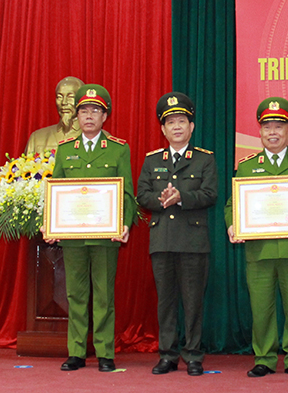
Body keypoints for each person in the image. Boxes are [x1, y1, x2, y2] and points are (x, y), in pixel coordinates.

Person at [224, 97, 288, 378]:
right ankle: (264, 358)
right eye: (267, 126)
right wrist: (233, 225)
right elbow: (232, 205)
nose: (273, 132)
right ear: (259, 132)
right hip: (259, 251)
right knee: (261, 309)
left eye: (279, 126)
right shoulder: (247, 166)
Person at [45, 84, 136, 372]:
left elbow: (127, 193)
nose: (88, 116)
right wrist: (50, 224)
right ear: (76, 116)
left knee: (103, 295)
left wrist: (124, 223)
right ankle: (76, 352)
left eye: (95, 111)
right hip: (73, 237)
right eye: (83, 110)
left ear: (104, 116)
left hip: (106, 236)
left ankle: (105, 352)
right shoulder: (65, 150)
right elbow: (55, 191)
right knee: (75, 294)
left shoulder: (119, 149)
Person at [137, 92, 218, 376]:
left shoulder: (204, 159)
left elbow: (210, 194)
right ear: (163, 129)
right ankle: (168, 355)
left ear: (191, 127)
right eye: (170, 122)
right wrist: (161, 199)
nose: (177, 127)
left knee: (193, 302)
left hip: (193, 241)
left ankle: (193, 355)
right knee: (166, 302)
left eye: (182, 121)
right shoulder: (152, 160)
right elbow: (142, 195)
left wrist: (181, 197)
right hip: (162, 240)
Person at [25, 76, 84, 154]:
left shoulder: (96, 137)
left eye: (70, 97)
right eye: (60, 97)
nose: (64, 102)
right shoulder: (37, 138)